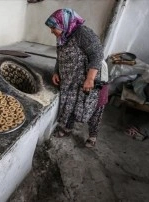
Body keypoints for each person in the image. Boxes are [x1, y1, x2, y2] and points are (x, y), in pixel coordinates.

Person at [45, 8, 107, 147]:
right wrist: (57, 71)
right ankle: (67, 129)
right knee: (69, 106)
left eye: (53, 27)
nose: (52, 31)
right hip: (72, 81)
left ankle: (92, 136)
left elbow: (97, 55)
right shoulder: (63, 37)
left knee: (94, 109)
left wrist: (90, 79)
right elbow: (61, 56)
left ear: (64, 23)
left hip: (90, 81)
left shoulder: (82, 34)